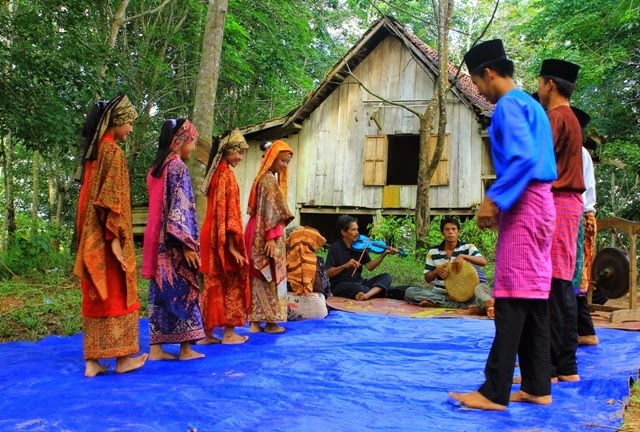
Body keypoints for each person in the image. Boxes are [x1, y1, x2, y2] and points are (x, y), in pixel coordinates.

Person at [449, 39, 557, 411]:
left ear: (489, 73)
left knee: (511, 295)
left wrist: (493, 198)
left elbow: (523, 158)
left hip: (525, 204)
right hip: (543, 205)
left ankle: (494, 390)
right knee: (533, 296)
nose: (477, 89)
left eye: (477, 82)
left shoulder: (509, 105)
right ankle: (537, 385)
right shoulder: (531, 103)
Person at [74, 95, 148, 377]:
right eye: (129, 122)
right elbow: (111, 202)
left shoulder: (94, 152)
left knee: (96, 293)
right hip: (108, 238)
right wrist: (117, 244)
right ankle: (123, 359)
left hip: (91, 236)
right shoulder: (113, 152)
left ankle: (92, 362)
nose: (130, 129)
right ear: (117, 121)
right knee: (118, 292)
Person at [141, 119, 206, 360]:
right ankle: (186, 349)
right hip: (173, 242)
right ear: (181, 140)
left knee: (160, 292)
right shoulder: (177, 167)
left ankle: (156, 349)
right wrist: (186, 245)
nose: (193, 147)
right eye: (193, 142)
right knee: (184, 290)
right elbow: (181, 209)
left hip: (155, 241)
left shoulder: (156, 168)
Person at [538, 59, 585, 382]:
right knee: (561, 283)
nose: (538, 88)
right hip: (569, 205)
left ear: (550, 84)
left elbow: (536, 162)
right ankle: (566, 365)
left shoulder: (556, 117)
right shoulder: (569, 117)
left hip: (558, 202)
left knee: (553, 285)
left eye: (539, 82)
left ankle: (553, 367)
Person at [199, 129, 251, 345]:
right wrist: (231, 245)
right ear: (228, 150)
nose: (240, 157)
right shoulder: (226, 175)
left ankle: (207, 333)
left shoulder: (216, 174)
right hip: (222, 237)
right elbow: (226, 213)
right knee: (232, 280)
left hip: (210, 234)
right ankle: (229, 333)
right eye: (238, 152)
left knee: (212, 282)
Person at [245, 140, 295, 334]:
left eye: (287, 162)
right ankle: (271, 322)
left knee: (258, 277)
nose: (284, 165)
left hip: (256, 229)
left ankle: (255, 322)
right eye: (283, 160)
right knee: (269, 276)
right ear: (272, 157)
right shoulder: (269, 180)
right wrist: (271, 237)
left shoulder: (262, 178)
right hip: (265, 233)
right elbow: (271, 212)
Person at [404, 216, 489, 310]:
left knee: (478, 299)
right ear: (442, 233)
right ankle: (448, 304)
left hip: (465, 296)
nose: (450, 232)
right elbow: (427, 278)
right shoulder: (433, 251)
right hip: (439, 294)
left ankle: (439, 304)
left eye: (453, 229)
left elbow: (483, 261)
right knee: (410, 292)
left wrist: (463, 256)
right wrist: (436, 272)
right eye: (447, 229)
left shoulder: (468, 247)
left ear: (458, 232)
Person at [571, 108, 599, 346]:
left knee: (573, 277)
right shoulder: (573, 152)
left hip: (579, 216)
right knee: (573, 277)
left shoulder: (577, 153)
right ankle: (584, 331)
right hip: (577, 215)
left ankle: (577, 334)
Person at [325, 215, 398, 301]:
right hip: (341, 284)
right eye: (353, 230)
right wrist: (345, 265)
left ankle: (367, 295)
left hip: (359, 282)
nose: (357, 232)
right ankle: (378, 291)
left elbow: (370, 266)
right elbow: (327, 273)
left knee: (386, 277)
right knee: (357, 287)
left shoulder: (360, 247)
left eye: (357, 229)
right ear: (343, 232)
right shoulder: (335, 248)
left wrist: (384, 254)